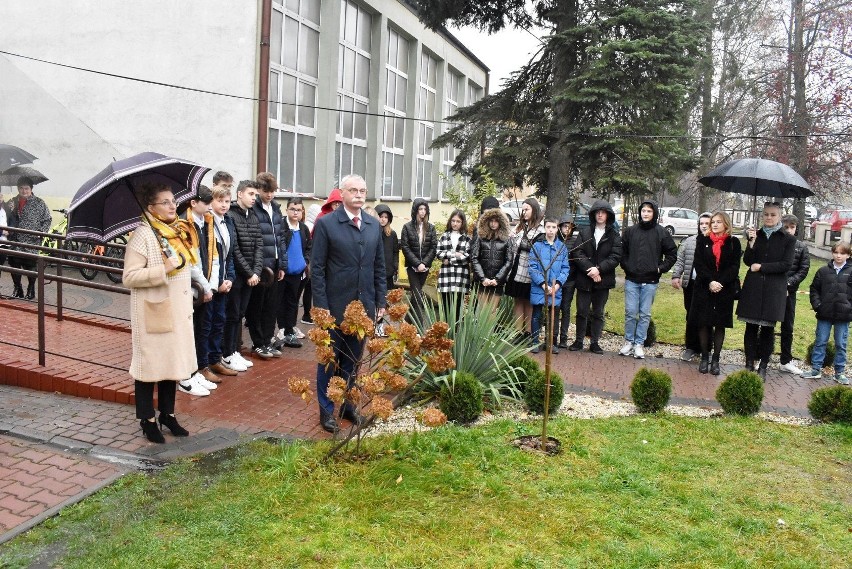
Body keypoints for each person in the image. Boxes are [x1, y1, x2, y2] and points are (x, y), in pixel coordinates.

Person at [312, 174, 387, 433]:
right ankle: (326, 410)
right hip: (333, 307)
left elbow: (379, 266)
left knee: (353, 360)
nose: (358, 194)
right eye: (353, 190)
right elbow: (318, 269)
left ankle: (347, 405)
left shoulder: (372, 225)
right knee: (329, 360)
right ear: (341, 193)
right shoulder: (327, 224)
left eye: (362, 190)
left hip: (363, 307)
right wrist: (321, 307)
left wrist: (380, 300)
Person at [122, 183, 195, 444]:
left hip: (176, 312)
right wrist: (162, 268)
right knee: (149, 369)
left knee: (171, 366)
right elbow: (129, 277)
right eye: (165, 202)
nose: (172, 205)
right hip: (154, 312)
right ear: (151, 208)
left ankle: (168, 414)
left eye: (173, 200)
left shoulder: (174, 232)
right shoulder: (142, 235)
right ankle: (147, 419)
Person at [736, 201, 796, 379]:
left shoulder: (788, 239)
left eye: (772, 215)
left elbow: (786, 265)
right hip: (754, 287)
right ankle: (749, 364)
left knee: (768, 330)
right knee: (751, 327)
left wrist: (761, 267)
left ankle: (763, 365)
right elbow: (747, 261)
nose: (768, 218)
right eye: (766, 214)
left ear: (779, 216)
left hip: (773, 289)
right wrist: (751, 243)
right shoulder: (756, 235)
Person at [179, 186, 223, 396]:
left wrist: (212, 285)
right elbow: (191, 260)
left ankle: (199, 367)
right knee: (192, 330)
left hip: (207, 287)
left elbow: (214, 255)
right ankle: (190, 370)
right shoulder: (184, 224)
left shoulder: (207, 222)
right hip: (193, 289)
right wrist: (205, 287)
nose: (209, 207)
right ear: (193, 203)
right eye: (205, 203)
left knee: (204, 328)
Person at [619, 200, 677, 359]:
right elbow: (621, 253)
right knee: (630, 312)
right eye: (643, 211)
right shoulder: (631, 231)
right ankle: (629, 342)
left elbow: (672, 253)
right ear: (640, 212)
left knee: (644, 314)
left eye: (649, 211)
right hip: (632, 279)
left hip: (650, 281)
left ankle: (639, 344)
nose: (645, 213)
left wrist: (660, 268)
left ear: (654, 213)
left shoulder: (661, 232)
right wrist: (627, 266)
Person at [689, 212, 742, 375]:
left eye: (719, 222)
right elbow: (699, 263)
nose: (715, 224)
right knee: (704, 322)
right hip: (704, 287)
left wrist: (720, 282)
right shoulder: (703, 240)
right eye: (713, 222)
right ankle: (705, 357)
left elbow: (734, 266)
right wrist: (710, 281)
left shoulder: (734, 242)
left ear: (726, 224)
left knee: (720, 324)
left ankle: (716, 359)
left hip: (724, 288)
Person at [572, 200, 622, 354]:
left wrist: (599, 269)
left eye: (603, 212)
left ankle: (595, 342)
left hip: (603, 280)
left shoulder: (613, 235)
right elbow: (577, 252)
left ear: (608, 215)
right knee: (581, 311)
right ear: (593, 214)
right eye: (597, 212)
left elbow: (615, 256)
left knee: (598, 312)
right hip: (585, 278)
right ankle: (579, 340)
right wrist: (590, 270)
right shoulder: (585, 232)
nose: (600, 214)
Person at [223, 180, 264, 367]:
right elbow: (235, 248)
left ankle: (234, 351)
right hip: (238, 275)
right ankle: (227, 353)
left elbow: (259, 246)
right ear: (239, 194)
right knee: (232, 314)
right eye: (250, 194)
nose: (254, 198)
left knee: (240, 314)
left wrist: (256, 271)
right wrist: (248, 273)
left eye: (255, 195)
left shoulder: (253, 216)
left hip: (250, 276)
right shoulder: (231, 215)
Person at [246, 173, 287, 358]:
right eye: (265, 191)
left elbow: (281, 238)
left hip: (275, 263)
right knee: (257, 306)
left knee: (272, 306)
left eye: (272, 191)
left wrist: (282, 265)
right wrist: (257, 265)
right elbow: (254, 239)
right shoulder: (254, 209)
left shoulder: (276, 209)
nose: (269, 195)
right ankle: (258, 342)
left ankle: (268, 340)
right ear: (259, 190)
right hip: (261, 266)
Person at [207, 178, 245, 373]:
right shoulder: (208, 223)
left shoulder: (228, 221)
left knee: (220, 321)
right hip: (211, 284)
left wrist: (229, 277)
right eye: (220, 201)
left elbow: (229, 253)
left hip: (224, 281)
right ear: (211, 202)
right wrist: (217, 283)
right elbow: (209, 257)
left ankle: (216, 359)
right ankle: (205, 362)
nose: (224, 205)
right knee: (208, 324)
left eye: (227, 201)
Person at [802, 241, 852, 384]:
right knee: (820, 341)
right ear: (832, 253)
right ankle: (815, 369)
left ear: (848, 255)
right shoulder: (823, 271)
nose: (838, 256)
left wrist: (850, 308)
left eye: (842, 253)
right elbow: (814, 289)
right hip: (825, 314)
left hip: (843, 315)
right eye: (836, 252)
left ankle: (839, 372)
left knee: (841, 344)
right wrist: (818, 305)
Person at [671, 212, 712, 361]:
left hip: (708, 285)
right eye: (702, 224)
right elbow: (681, 260)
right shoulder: (689, 242)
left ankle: (706, 348)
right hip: (691, 284)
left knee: (707, 317)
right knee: (691, 315)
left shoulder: (716, 242)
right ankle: (691, 347)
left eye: (707, 223)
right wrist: (676, 275)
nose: (704, 226)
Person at [528, 217, 570, 354]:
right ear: (544, 228)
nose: (550, 230)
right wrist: (543, 284)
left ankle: (551, 342)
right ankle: (535, 342)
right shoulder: (537, 246)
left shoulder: (561, 248)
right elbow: (533, 267)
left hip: (555, 288)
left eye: (553, 227)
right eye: (548, 227)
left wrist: (557, 284)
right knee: (537, 315)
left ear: (557, 229)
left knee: (553, 316)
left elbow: (565, 268)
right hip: (540, 287)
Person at [6, 176, 51, 300]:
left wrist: (41, 232)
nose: (24, 191)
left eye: (26, 188)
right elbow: (6, 217)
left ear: (31, 189)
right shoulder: (12, 201)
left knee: (30, 267)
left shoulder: (39, 203)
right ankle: (17, 289)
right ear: (18, 189)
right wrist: (8, 209)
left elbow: (47, 219)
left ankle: (31, 290)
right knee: (14, 265)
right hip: (15, 240)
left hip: (31, 240)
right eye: (21, 188)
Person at [275, 197, 311, 349]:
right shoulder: (281, 227)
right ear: (287, 210)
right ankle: (279, 330)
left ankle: (290, 330)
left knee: (292, 302)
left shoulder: (303, 229)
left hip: (298, 274)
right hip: (282, 273)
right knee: (277, 302)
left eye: (298, 210)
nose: (295, 212)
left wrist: (305, 261)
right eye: (292, 209)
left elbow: (309, 247)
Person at [506, 198, 545, 336]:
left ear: (534, 210)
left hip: (531, 270)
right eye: (523, 210)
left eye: (527, 209)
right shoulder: (520, 227)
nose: (524, 212)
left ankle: (528, 332)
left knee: (529, 301)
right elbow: (511, 245)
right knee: (517, 299)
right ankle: (517, 332)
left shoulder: (541, 229)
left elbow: (538, 249)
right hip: (517, 268)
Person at [779, 214, 810, 374]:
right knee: (767, 325)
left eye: (792, 227)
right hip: (773, 290)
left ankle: (785, 360)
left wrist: (788, 284)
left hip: (789, 293)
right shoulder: (775, 244)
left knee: (787, 326)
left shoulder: (801, 247)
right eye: (786, 227)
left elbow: (803, 269)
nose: (789, 230)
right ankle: (762, 357)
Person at [400, 198, 437, 325]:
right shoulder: (407, 227)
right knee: (418, 295)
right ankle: (419, 326)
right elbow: (405, 247)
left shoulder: (431, 228)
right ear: (415, 210)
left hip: (425, 268)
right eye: (420, 209)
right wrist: (417, 263)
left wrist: (424, 263)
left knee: (416, 296)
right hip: (412, 267)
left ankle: (406, 321)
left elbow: (433, 247)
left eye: (425, 209)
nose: (422, 212)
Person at [471, 207, 513, 303]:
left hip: (497, 283)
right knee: (482, 312)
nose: (493, 224)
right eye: (491, 221)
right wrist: (483, 278)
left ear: (501, 222)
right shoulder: (481, 237)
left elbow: (509, 261)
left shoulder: (506, 239)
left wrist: (497, 279)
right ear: (487, 221)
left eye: (496, 221)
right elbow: (474, 258)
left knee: (492, 313)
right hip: (483, 282)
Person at [436, 209, 471, 323]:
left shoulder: (467, 238)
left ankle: (456, 333)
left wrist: (449, 259)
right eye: (453, 221)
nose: (455, 223)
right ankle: (447, 334)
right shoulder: (444, 236)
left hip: (461, 277)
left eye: (458, 221)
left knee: (458, 308)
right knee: (446, 307)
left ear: (462, 223)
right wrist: (455, 254)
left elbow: (467, 257)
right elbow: (438, 253)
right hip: (446, 277)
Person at [553, 214, 577, 350]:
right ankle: (554, 336)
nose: (567, 229)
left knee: (565, 308)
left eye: (569, 227)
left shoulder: (574, 241)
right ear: (560, 227)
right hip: (556, 280)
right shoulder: (555, 241)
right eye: (564, 226)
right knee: (555, 308)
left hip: (570, 280)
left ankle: (564, 337)